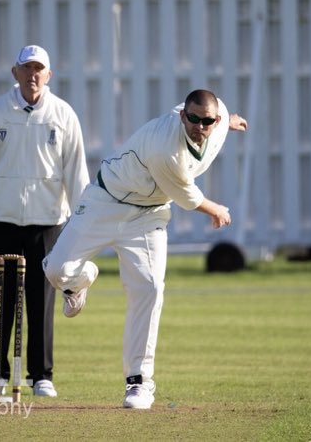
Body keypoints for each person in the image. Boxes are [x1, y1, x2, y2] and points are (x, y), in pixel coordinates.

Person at [43, 89, 248, 409]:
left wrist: (229, 123)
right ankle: (81, 279)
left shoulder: (217, 118)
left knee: (150, 287)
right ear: (183, 115)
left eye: (207, 121)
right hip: (105, 200)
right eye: (192, 119)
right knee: (56, 271)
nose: (199, 126)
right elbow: (188, 198)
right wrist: (217, 210)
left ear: (216, 119)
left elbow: (215, 116)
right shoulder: (166, 148)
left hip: (148, 216)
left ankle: (139, 382)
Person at [0, 44, 89, 398]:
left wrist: (84, 225)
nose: (32, 75)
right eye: (26, 68)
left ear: (48, 75)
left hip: (48, 222)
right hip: (1, 221)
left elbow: (77, 173)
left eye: (38, 69)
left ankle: (41, 375)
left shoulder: (63, 115)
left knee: (41, 301)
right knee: (0, 301)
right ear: (14, 73)